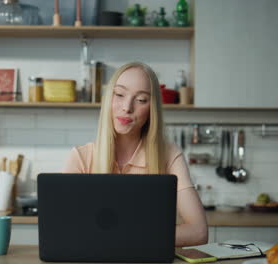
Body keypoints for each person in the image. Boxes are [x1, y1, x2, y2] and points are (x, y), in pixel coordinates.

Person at [63, 62, 208, 247]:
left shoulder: (170, 155)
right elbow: (66, 228)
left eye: (141, 99)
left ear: (151, 109)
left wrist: (118, 236)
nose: (127, 107)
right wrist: (142, 236)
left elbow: (198, 232)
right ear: (109, 98)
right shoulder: (80, 157)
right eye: (120, 94)